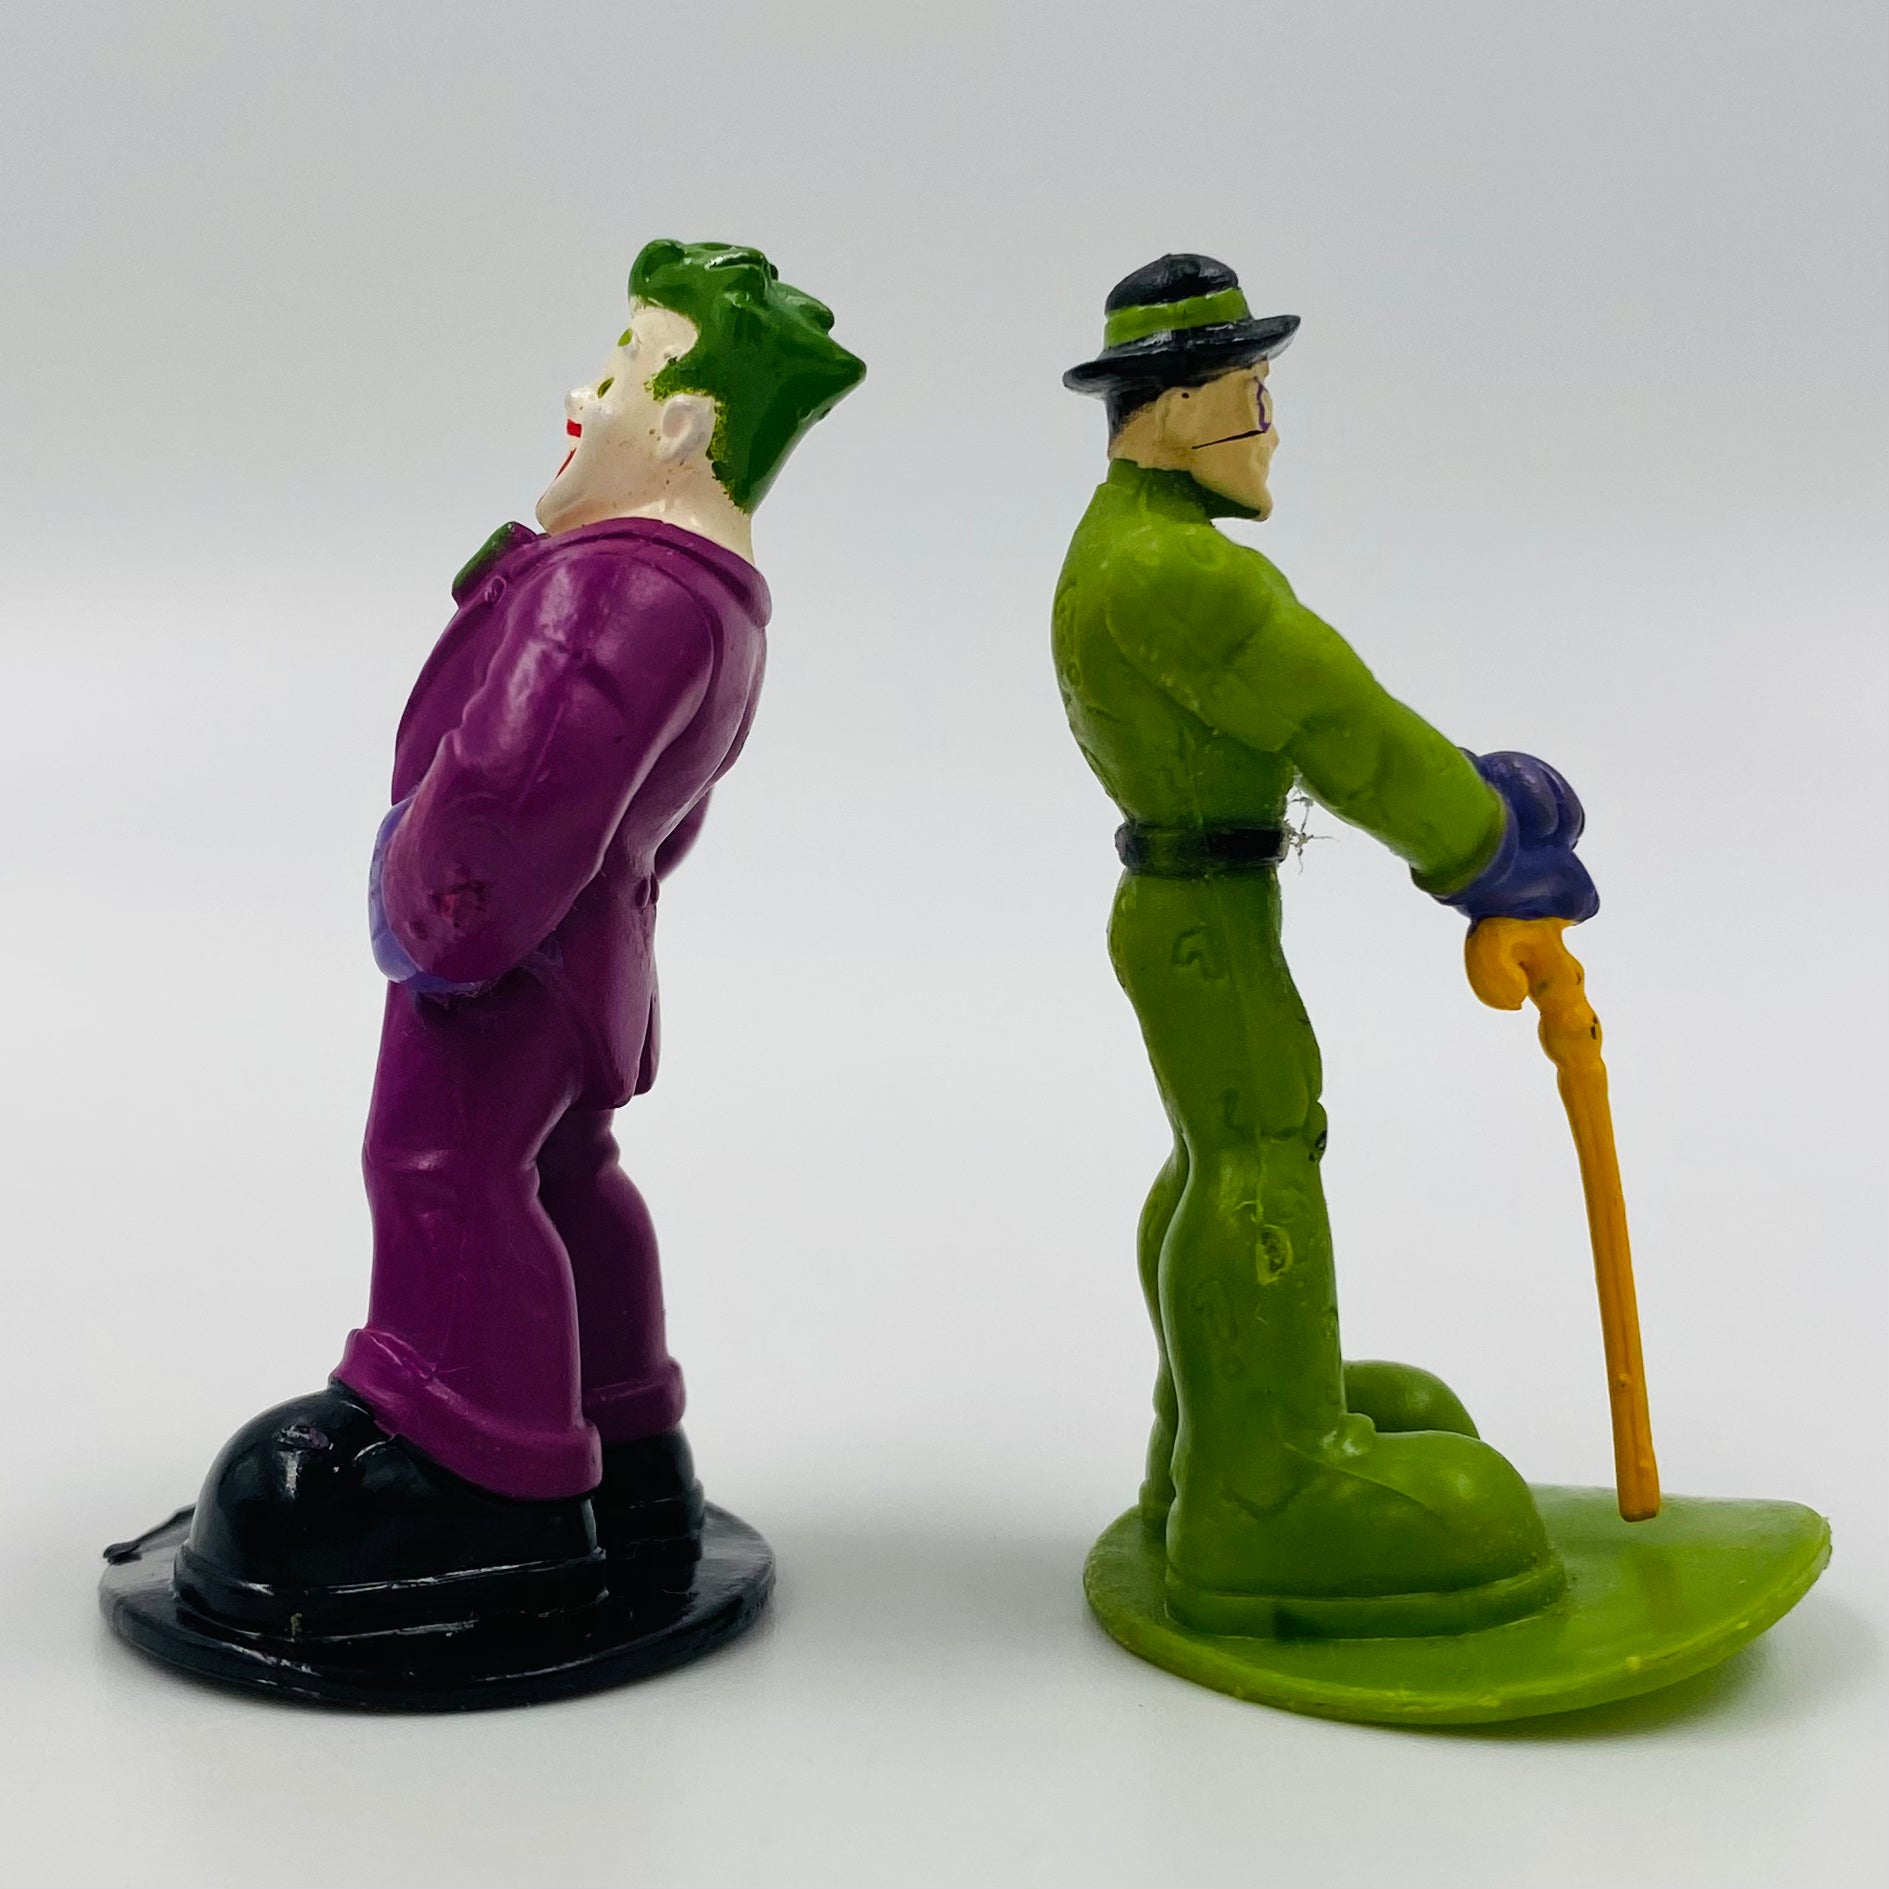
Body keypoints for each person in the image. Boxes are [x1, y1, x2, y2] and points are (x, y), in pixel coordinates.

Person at [175, 241, 865, 1646]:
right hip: (582, 945)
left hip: (506, 950)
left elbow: (506, 797)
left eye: (623, 370)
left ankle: (478, 1462)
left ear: (684, 426)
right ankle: (622, 1440)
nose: (586, 395)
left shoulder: (614, 590)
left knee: (442, 1164)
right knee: (558, 1166)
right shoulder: (710, 595)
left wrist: (424, 910)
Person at [1055, 253, 1598, 1636]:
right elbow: (1334, 721)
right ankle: (1262, 1491)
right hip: (1198, 909)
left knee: (1224, 1149)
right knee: (1256, 1151)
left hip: (1197, 899)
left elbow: (1328, 718)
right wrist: (1486, 847)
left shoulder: (1129, 546)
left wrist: (1467, 805)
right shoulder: (1177, 576)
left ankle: (1226, 1428)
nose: (1268, 429)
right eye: (1251, 399)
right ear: (1180, 409)